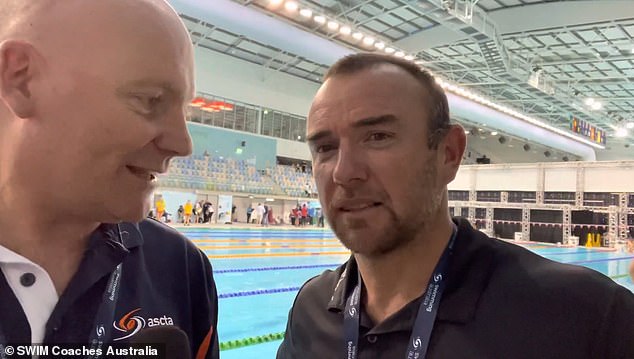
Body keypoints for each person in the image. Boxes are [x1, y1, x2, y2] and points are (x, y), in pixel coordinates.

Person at [277, 53, 634, 359]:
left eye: (378, 137)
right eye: (325, 148)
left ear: (449, 153)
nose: (344, 172)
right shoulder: (311, 308)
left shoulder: (584, 315)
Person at [0, 1, 219, 357]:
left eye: (185, 111)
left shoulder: (179, 268)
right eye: (150, 100)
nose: (182, 144)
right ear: (22, 80)